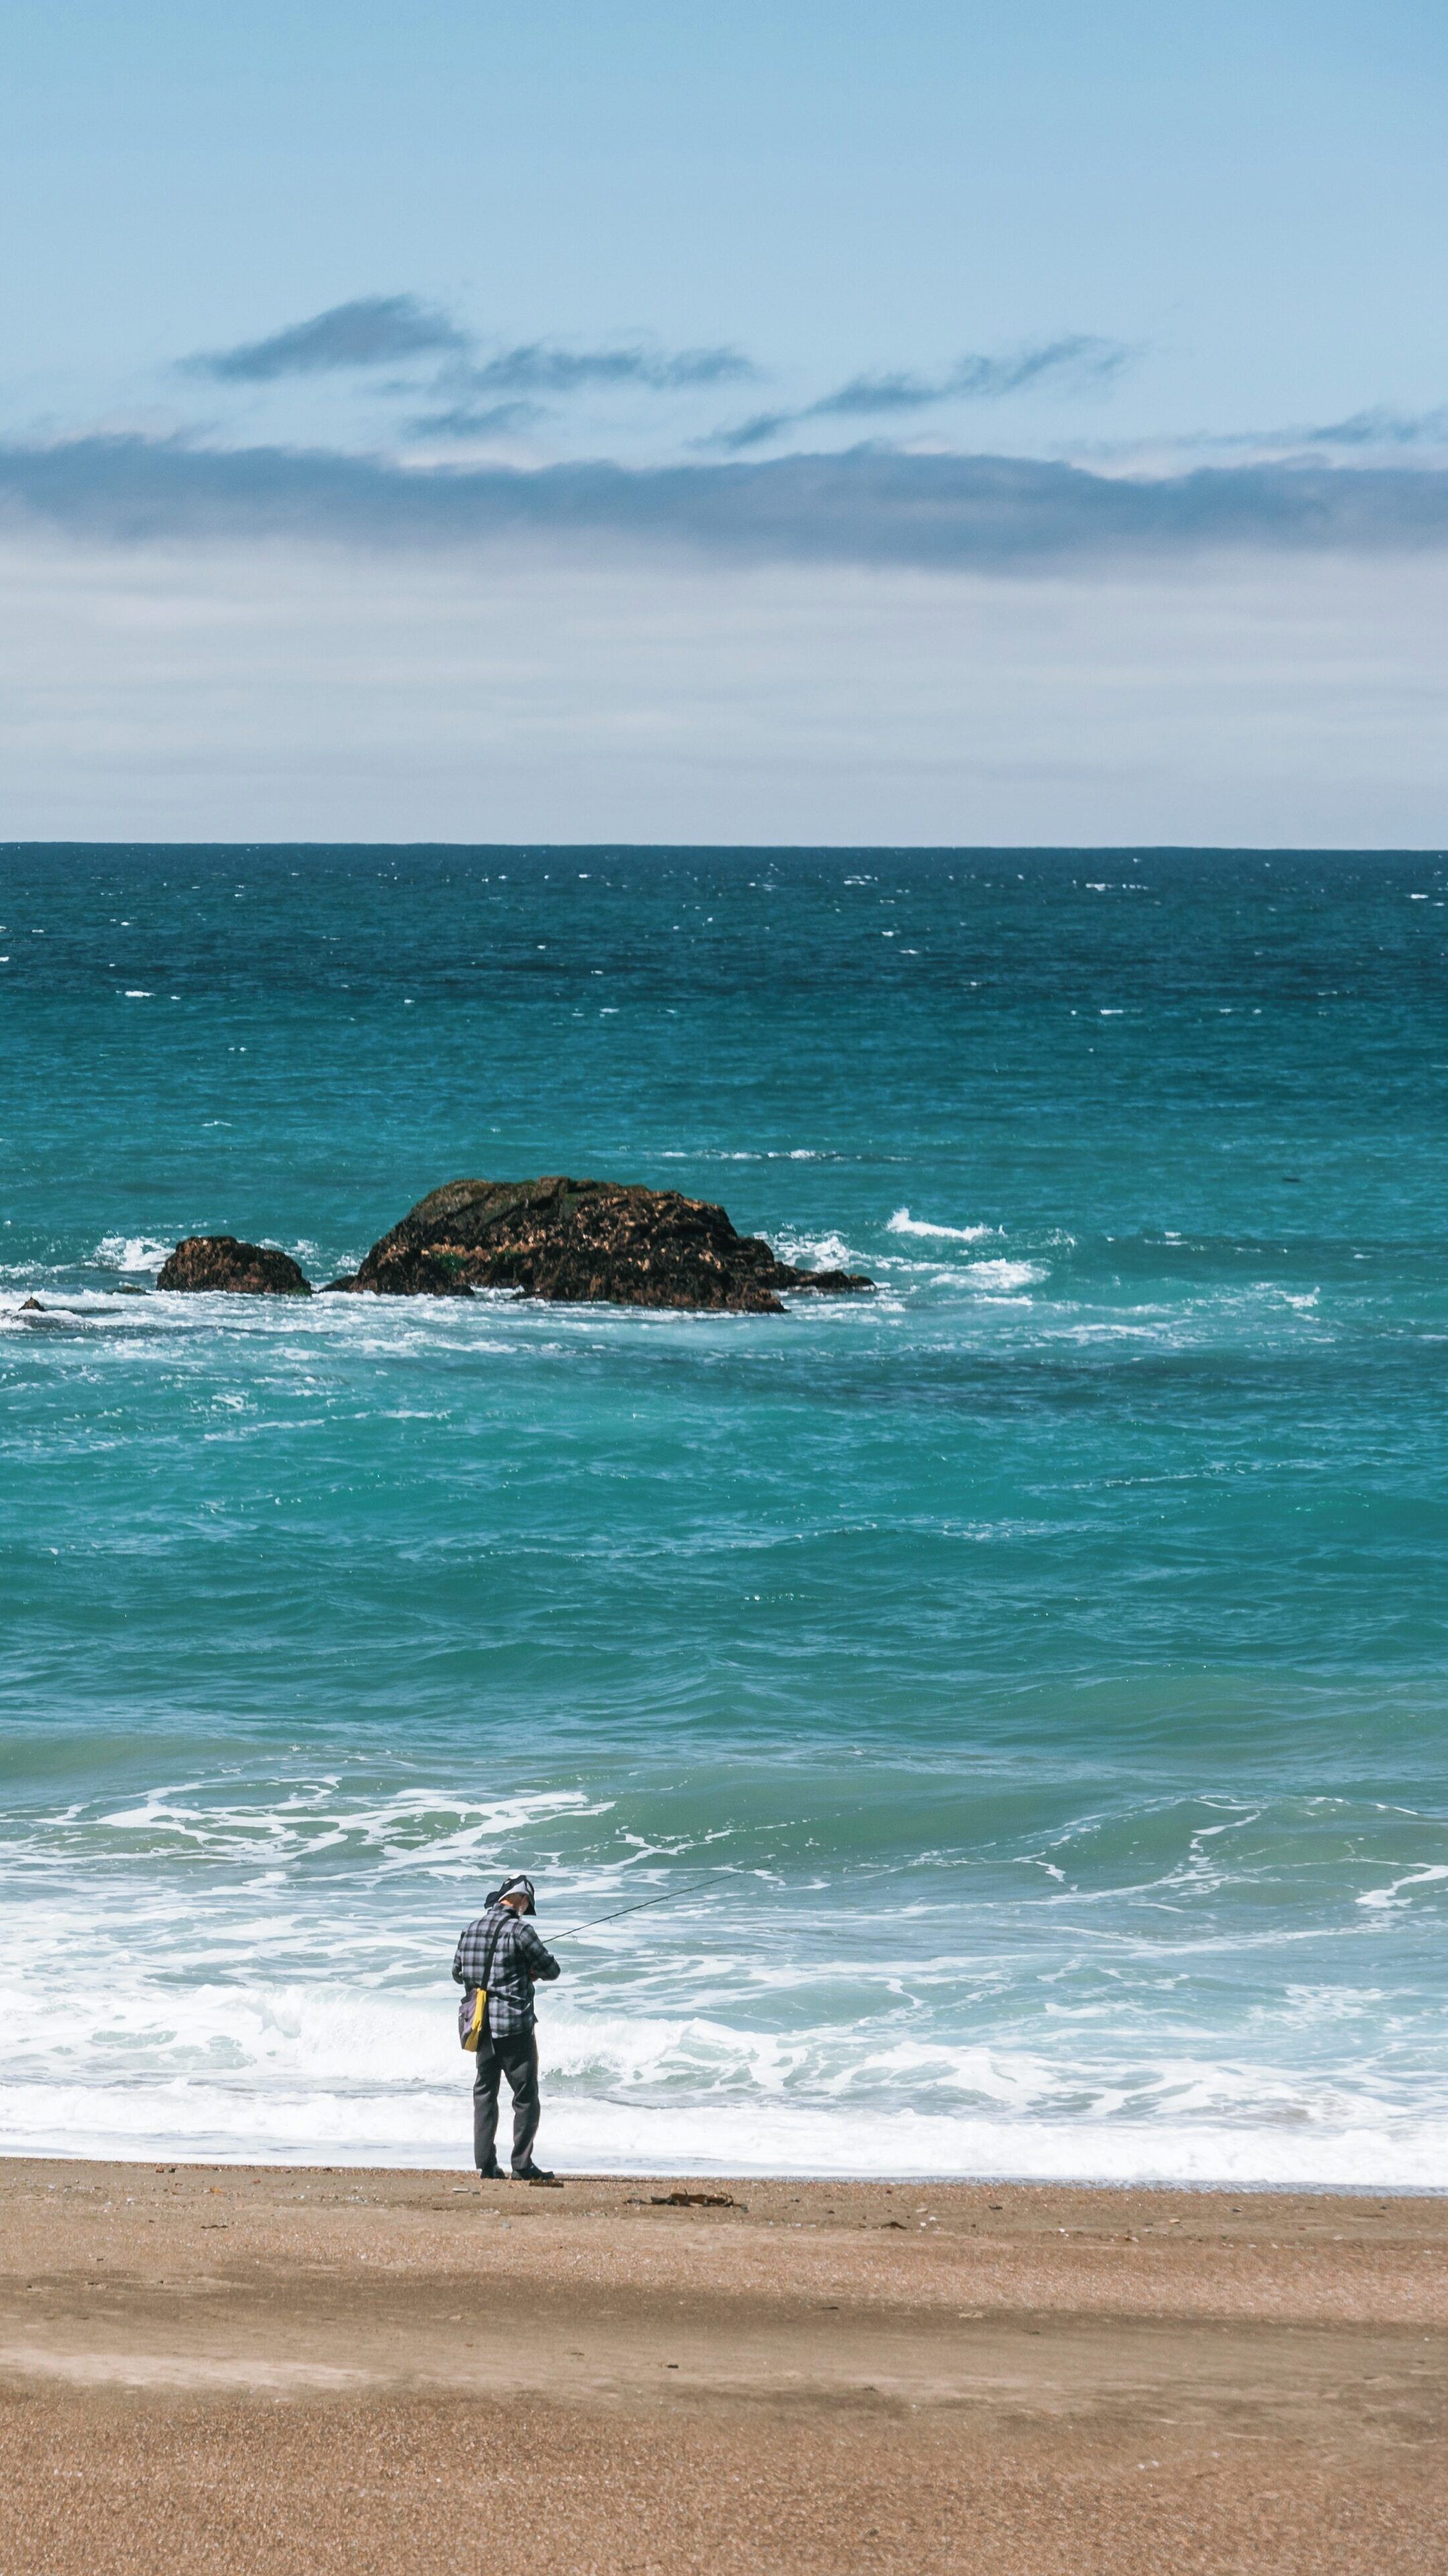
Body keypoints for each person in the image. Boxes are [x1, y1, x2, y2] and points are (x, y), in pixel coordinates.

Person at [452, 1873, 562, 2184]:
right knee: (525, 2096)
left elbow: (458, 1973)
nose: (526, 1909)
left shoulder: (469, 1930)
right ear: (521, 1900)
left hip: (479, 2024)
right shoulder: (521, 1930)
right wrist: (529, 1972)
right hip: (514, 2023)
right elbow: (552, 1970)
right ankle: (522, 2164)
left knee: (485, 2092)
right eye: (527, 1903)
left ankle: (486, 2164)